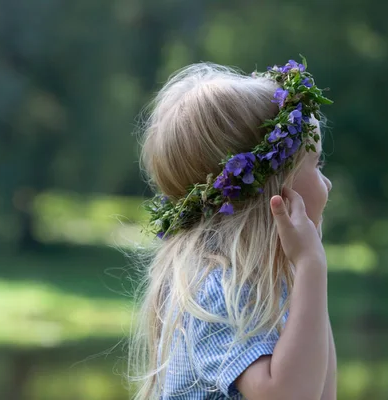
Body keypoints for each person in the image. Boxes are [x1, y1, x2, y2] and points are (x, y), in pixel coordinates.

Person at [129, 59, 337, 400]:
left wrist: (308, 275)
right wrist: (312, 267)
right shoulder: (218, 287)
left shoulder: (269, 285)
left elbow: (320, 394)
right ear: (275, 187)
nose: (326, 182)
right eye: (317, 165)